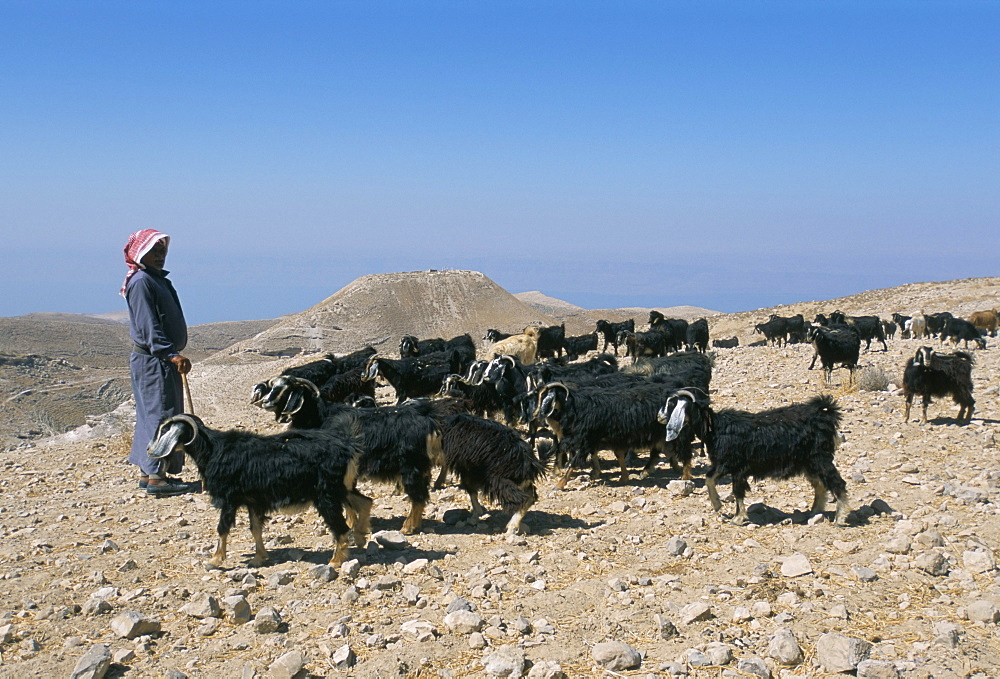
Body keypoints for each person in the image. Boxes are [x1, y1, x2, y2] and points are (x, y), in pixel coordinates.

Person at [121, 229, 199, 496]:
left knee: (152, 415)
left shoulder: (155, 280)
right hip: (155, 360)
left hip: (158, 360)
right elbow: (149, 326)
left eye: (162, 251)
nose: (160, 256)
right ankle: (157, 477)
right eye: (154, 251)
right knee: (160, 416)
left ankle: (149, 472)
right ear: (141, 252)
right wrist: (171, 353)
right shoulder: (143, 282)